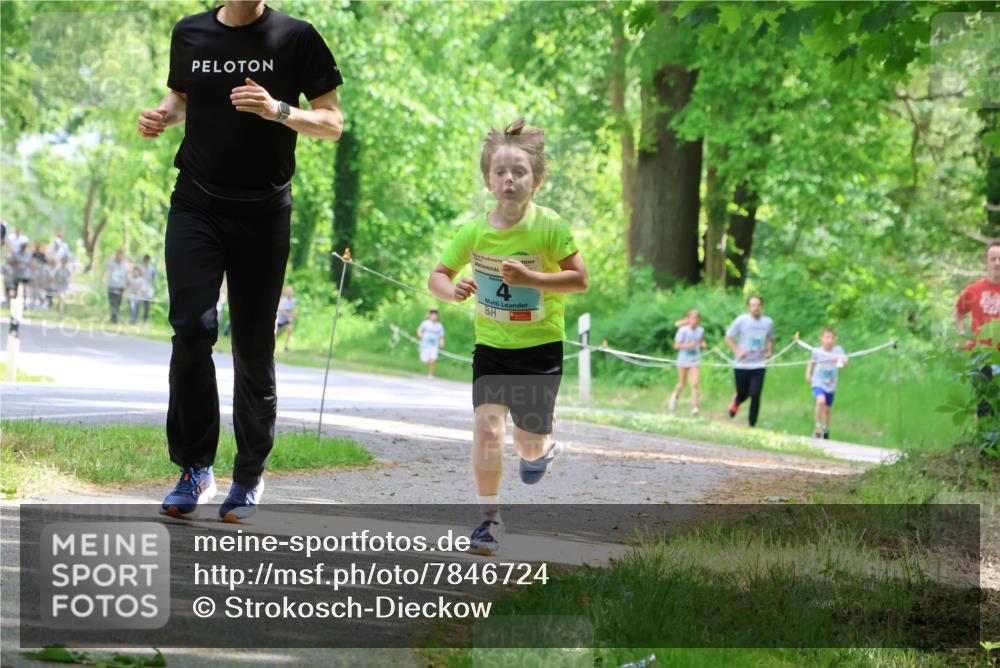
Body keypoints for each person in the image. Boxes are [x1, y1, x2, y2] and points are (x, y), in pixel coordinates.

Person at [138, 0, 343, 522]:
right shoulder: (190, 33)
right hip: (196, 202)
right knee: (191, 328)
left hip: (263, 212)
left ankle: (248, 476)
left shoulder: (296, 37)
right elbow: (183, 97)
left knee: (253, 347)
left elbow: (332, 122)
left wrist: (278, 110)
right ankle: (194, 468)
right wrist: (163, 114)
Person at [428, 118, 589, 556]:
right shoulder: (474, 231)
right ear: (488, 180)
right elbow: (438, 275)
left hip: (539, 349)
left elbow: (579, 279)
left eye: (519, 172)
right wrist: (451, 290)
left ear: (536, 181)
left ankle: (543, 446)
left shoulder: (549, 226)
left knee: (527, 445)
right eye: (500, 172)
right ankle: (489, 521)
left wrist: (533, 278)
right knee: (487, 429)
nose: (509, 180)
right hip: (492, 348)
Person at [955, 239, 1000, 418]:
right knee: (984, 406)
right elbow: (959, 314)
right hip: (981, 356)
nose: (997, 263)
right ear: (986, 261)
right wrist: (961, 335)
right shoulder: (973, 290)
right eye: (993, 258)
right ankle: (984, 435)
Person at [725, 295, 775, 427]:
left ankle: (752, 424)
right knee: (743, 393)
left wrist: (770, 351)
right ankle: (737, 401)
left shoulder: (768, 322)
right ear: (748, 307)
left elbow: (771, 338)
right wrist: (737, 352)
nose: (756, 308)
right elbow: (728, 337)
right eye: (753, 305)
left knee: (755, 394)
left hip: (759, 364)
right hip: (742, 365)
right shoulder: (741, 321)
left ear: (762, 306)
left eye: (758, 305)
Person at [804, 327, 848, 439]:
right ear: (821, 339)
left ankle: (826, 429)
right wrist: (808, 373)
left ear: (835, 339)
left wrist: (838, 360)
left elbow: (845, 365)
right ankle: (818, 428)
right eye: (827, 337)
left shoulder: (838, 351)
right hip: (818, 382)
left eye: (832, 338)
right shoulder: (817, 351)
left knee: (827, 410)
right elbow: (812, 362)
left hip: (831, 384)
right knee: (820, 401)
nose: (829, 340)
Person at [668, 309, 707, 415]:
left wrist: (703, 344)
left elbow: (702, 341)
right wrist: (688, 346)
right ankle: (674, 398)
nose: (695, 320)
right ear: (688, 319)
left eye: (697, 318)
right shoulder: (683, 330)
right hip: (683, 359)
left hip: (695, 360)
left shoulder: (700, 330)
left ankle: (694, 407)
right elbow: (676, 345)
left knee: (695, 384)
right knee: (682, 383)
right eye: (693, 318)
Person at [417, 308, 446, 379]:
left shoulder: (439, 326)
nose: (434, 317)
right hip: (425, 345)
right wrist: (421, 336)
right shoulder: (425, 323)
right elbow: (419, 330)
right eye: (432, 315)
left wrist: (442, 345)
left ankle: (431, 375)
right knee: (424, 360)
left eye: (435, 315)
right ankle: (426, 363)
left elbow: (441, 337)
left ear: (437, 316)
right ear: (429, 316)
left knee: (433, 360)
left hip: (434, 346)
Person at [105, 250, 128, 324]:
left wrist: (126, 286)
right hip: (111, 286)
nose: (119, 257)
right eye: (118, 255)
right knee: (112, 302)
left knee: (118, 303)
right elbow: (105, 270)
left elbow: (126, 276)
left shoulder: (125, 266)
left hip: (120, 287)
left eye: (121, 255)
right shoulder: (111, 263)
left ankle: (115, 317)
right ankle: (113, 319)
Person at [274, 285, 297, 352]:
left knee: (289, 330)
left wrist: (294, 314)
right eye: (288, 291)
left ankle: (286, 346)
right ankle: (272, 345)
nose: (289, 293)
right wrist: (291, 315)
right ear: (285, 292)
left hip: (287, 320)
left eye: (291, 291)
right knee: (276, 334)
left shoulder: (293, 300)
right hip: (280, 319)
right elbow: (282, 311)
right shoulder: (282, 300)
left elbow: (293, 309)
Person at [139, 254, 157, 323]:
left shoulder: (152, 268)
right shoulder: (140, 268)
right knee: (137, 304)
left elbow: (154, 278)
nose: (146, 262)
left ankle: (145, 320)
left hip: (148, 289)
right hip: (140, 288)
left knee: (147, 305)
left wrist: (151, 279)